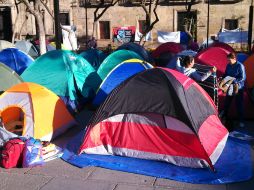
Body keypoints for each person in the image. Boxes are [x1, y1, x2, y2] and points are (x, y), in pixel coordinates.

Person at [220, 52, 246, 128]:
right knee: (227, 103)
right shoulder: (228, 65)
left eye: (230, 60)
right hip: (229, 86)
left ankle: (241, 121)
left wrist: (233, 80)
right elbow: (226, 74)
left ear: (234, 59)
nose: (229, 62)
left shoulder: (240, 66)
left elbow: (243, 78)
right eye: (228, 60)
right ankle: (224, 119)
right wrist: (222, 78)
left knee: (239, 104)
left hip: (238, 87)